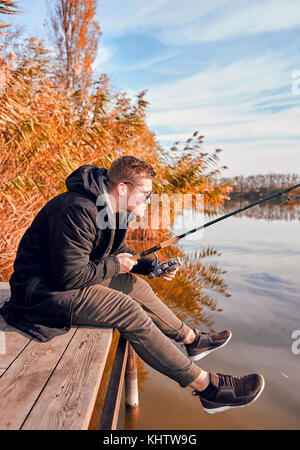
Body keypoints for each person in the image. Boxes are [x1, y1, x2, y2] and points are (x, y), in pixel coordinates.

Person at [0, 155, 265, 414]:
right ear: (123, 188)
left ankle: (191, 339)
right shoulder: (77, 209)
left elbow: (115, 251)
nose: (149, 200)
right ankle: (209, 389)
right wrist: (116, 265)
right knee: (126, 310)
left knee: (134, 286)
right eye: (146, 193)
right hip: (41, 293)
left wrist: (151, 267)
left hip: (63, 283)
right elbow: (69, 277)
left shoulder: (113, 209)